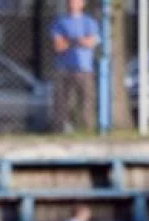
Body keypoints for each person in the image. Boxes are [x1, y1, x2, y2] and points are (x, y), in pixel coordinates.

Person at [50, 0, 99, 133]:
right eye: (70, 2)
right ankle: (60, 130)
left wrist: (69, 40)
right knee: (62, 103)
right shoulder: (60, 22)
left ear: (82, 3)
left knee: (86, 102)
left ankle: (86, 129)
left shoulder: (89, 22)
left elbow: (91, 42)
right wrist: (79, 40)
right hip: (64, 68)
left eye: (76, 1)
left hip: (84, 69)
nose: (72, 4)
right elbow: (58, 46)